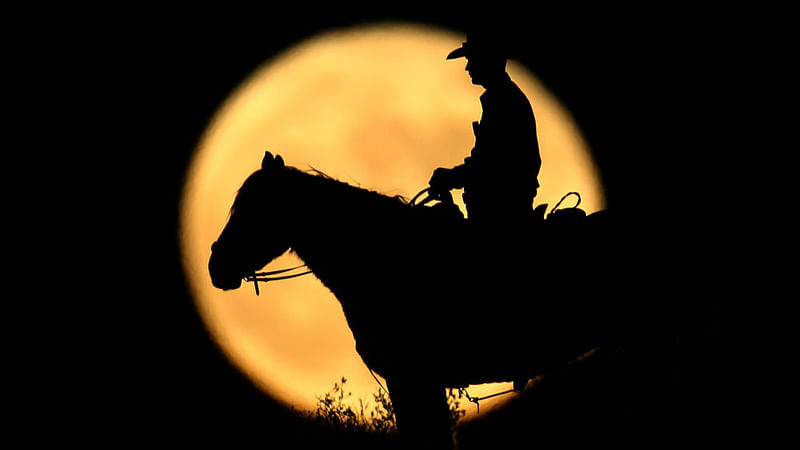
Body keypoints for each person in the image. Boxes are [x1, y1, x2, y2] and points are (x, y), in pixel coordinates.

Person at [429, 32, 542, 226]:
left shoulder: (504, 103)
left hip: (499, 217)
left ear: (488, 59)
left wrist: (451, 177)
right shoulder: (503, 99)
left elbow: (492, 164)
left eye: (472, 59)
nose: (467, 66)